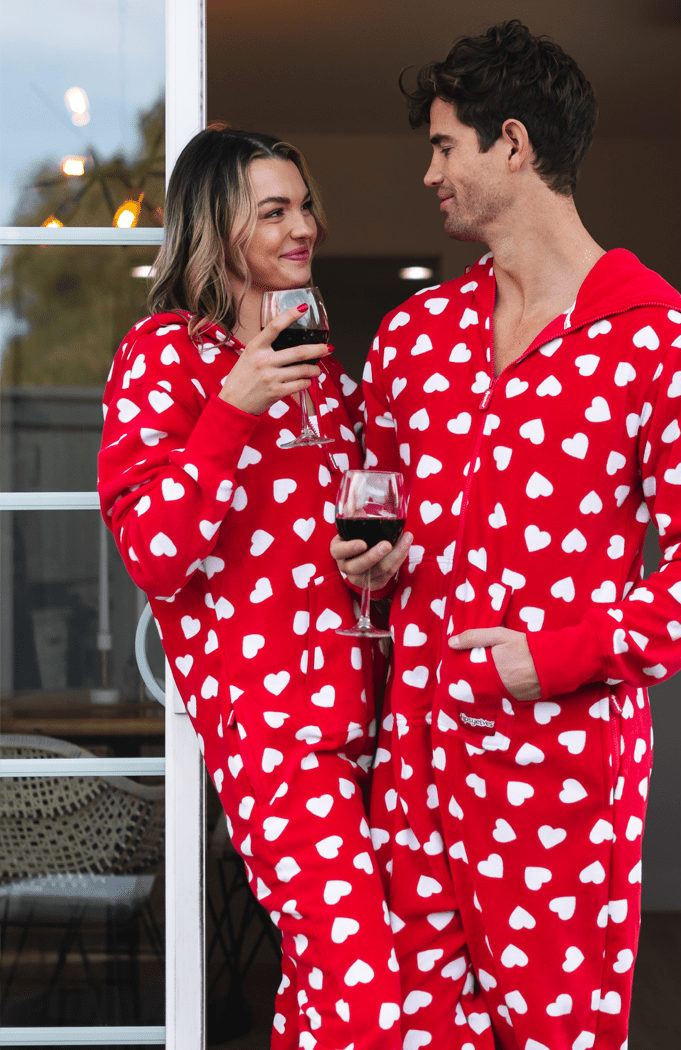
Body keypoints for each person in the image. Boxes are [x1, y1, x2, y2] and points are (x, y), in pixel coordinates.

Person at [331, 21, 681, 1050]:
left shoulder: (655, 342)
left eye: (445, 146)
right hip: (416, 766)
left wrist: (557, 658)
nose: (429, 173)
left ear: (513, 144)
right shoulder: (413, 340)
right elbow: (373, 506)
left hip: (560, 774)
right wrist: (371, 558)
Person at [98, 126, 401, 1050]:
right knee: (365, 995)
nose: (304, 227)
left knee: (321, 993)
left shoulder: (325, 374)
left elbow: (344, 530)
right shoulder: (162, 356)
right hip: (274, 732)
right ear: (214, 226)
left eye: (303, 206)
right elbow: (154, 552)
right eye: (274, 212)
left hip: (370, 715)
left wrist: (374, 563)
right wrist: (234, 405)